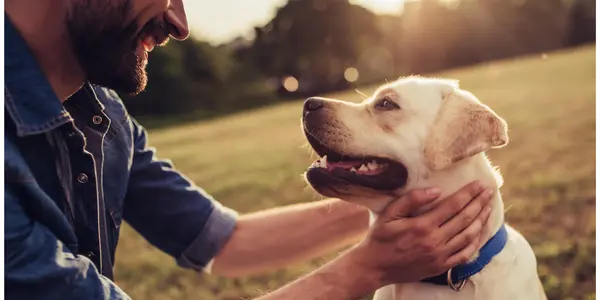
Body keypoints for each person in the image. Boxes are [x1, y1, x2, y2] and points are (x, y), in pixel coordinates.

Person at [4, 1, 494, 299]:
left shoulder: (103, 117)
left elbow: (225, 241)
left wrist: (415, 205)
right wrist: (366, 268)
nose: (179, 22)